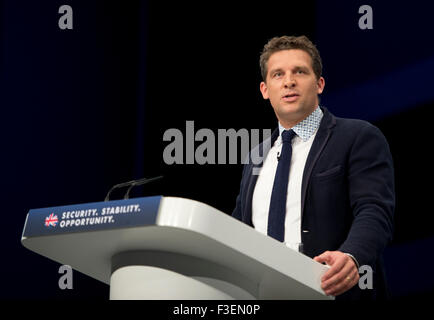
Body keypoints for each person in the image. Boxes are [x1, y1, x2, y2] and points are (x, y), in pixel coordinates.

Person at [232, 35, 395, 300]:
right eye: (278, 74)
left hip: (329, 289)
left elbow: (374, 210)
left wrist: (352, 255)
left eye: (300, 71)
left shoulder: (357, 137)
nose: (289, 82)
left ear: (319, 83)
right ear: (264, 90)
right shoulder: (255, 157)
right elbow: (240, 228)